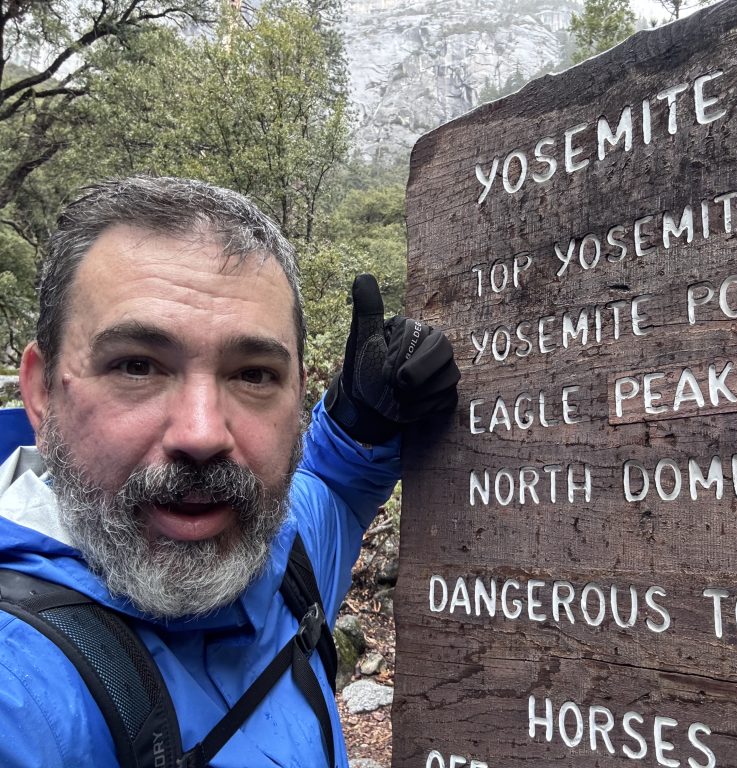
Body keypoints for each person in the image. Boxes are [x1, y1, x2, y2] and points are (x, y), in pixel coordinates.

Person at [0, 176, 459, 766]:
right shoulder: (22, 691)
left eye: (253, 375)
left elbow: (336, 492)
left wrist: (361, 418)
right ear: (41, 391)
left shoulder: (282, 555)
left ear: (297, 392)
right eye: (137, 366)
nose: (201, 434)